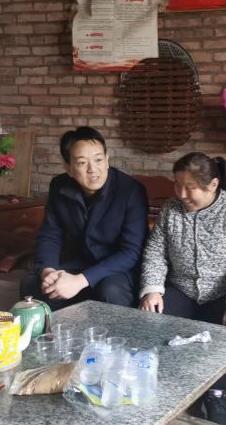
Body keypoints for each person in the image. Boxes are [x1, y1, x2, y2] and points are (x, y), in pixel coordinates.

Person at [138, 151, 226, 425]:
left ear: (213, 185)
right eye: (177, 185)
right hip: (182, 289)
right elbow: (156, 251)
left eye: (190, 187)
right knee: (150, 320)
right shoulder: (171, 209)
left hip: (223, 294)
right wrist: (153, 290)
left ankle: (218, 395)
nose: (181, 194)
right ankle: (169, 386)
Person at [22, 126, 149, 310]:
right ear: (68, 168)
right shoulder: (59, 185)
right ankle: (57, 330)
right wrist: (47, 270)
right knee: (34, 284)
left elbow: (131, 252)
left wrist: (80, 280)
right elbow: (50, 234)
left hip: (116, 268)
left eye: (98, 160)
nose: (93, 169)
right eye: (82, 162)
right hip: (78, 262)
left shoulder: (130, 190)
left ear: (107, 160)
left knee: (109, 290)